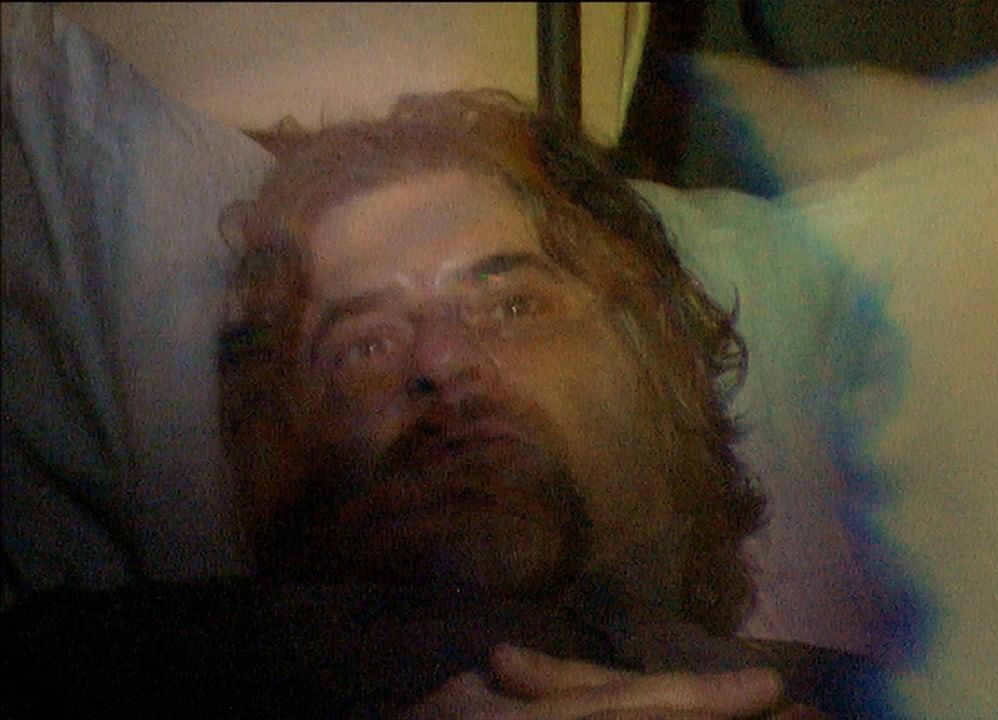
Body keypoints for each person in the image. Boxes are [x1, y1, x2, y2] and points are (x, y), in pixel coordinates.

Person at [4, 90, 882, 719]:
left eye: (512, 306)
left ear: (662, 363)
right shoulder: (112, 670)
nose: (439, 360)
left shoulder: (891, 691)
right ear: (278, 451)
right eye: (364, 346)